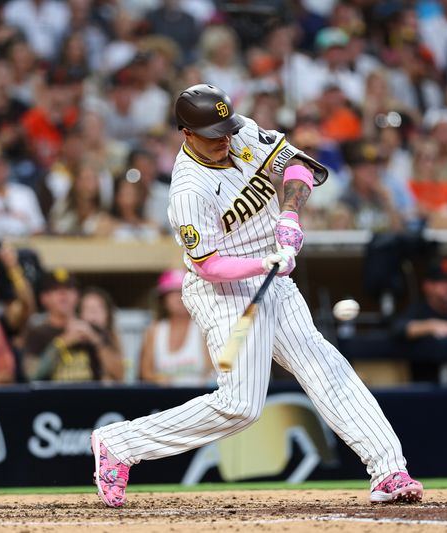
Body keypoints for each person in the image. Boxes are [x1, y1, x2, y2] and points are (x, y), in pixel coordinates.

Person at [90, 84, 422, 507]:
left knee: (323, 363)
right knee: (241, 406)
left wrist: (289, 215)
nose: (225, 139)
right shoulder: (188, 190)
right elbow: (209, 265)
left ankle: (389, 470)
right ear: (186, 133)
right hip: (224, 289)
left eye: (226, 129)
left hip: (273, 269)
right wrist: (262, 264)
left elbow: (300, 167)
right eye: (213, 134)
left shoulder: (239, 132)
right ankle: (120, 444)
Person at [23, 269, 122, 382]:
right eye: (56, 290)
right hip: (53, 398)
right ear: (44, 298)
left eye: (69, 289)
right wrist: (60, 344)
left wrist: (95, 340)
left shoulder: (93, 329)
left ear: (77, 296)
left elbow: (119, 375)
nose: (64, 294)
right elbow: (31, 375)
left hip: (90, 397)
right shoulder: (38, 333)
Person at [391, 257, 447, 386]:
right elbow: (397, 329)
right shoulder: (419, 310)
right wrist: (432, 326)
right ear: (428, 286)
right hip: (426, 392)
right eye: (443, 282)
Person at [139, 269, 212, 386]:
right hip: (165, 399)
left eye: (183, 291)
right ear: (163, 300)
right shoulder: (154, 330)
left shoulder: (204, 327)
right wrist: (160, 380)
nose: (179, 298)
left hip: (198, 398)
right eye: (172, 293)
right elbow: (146, 372)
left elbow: (213, 370)